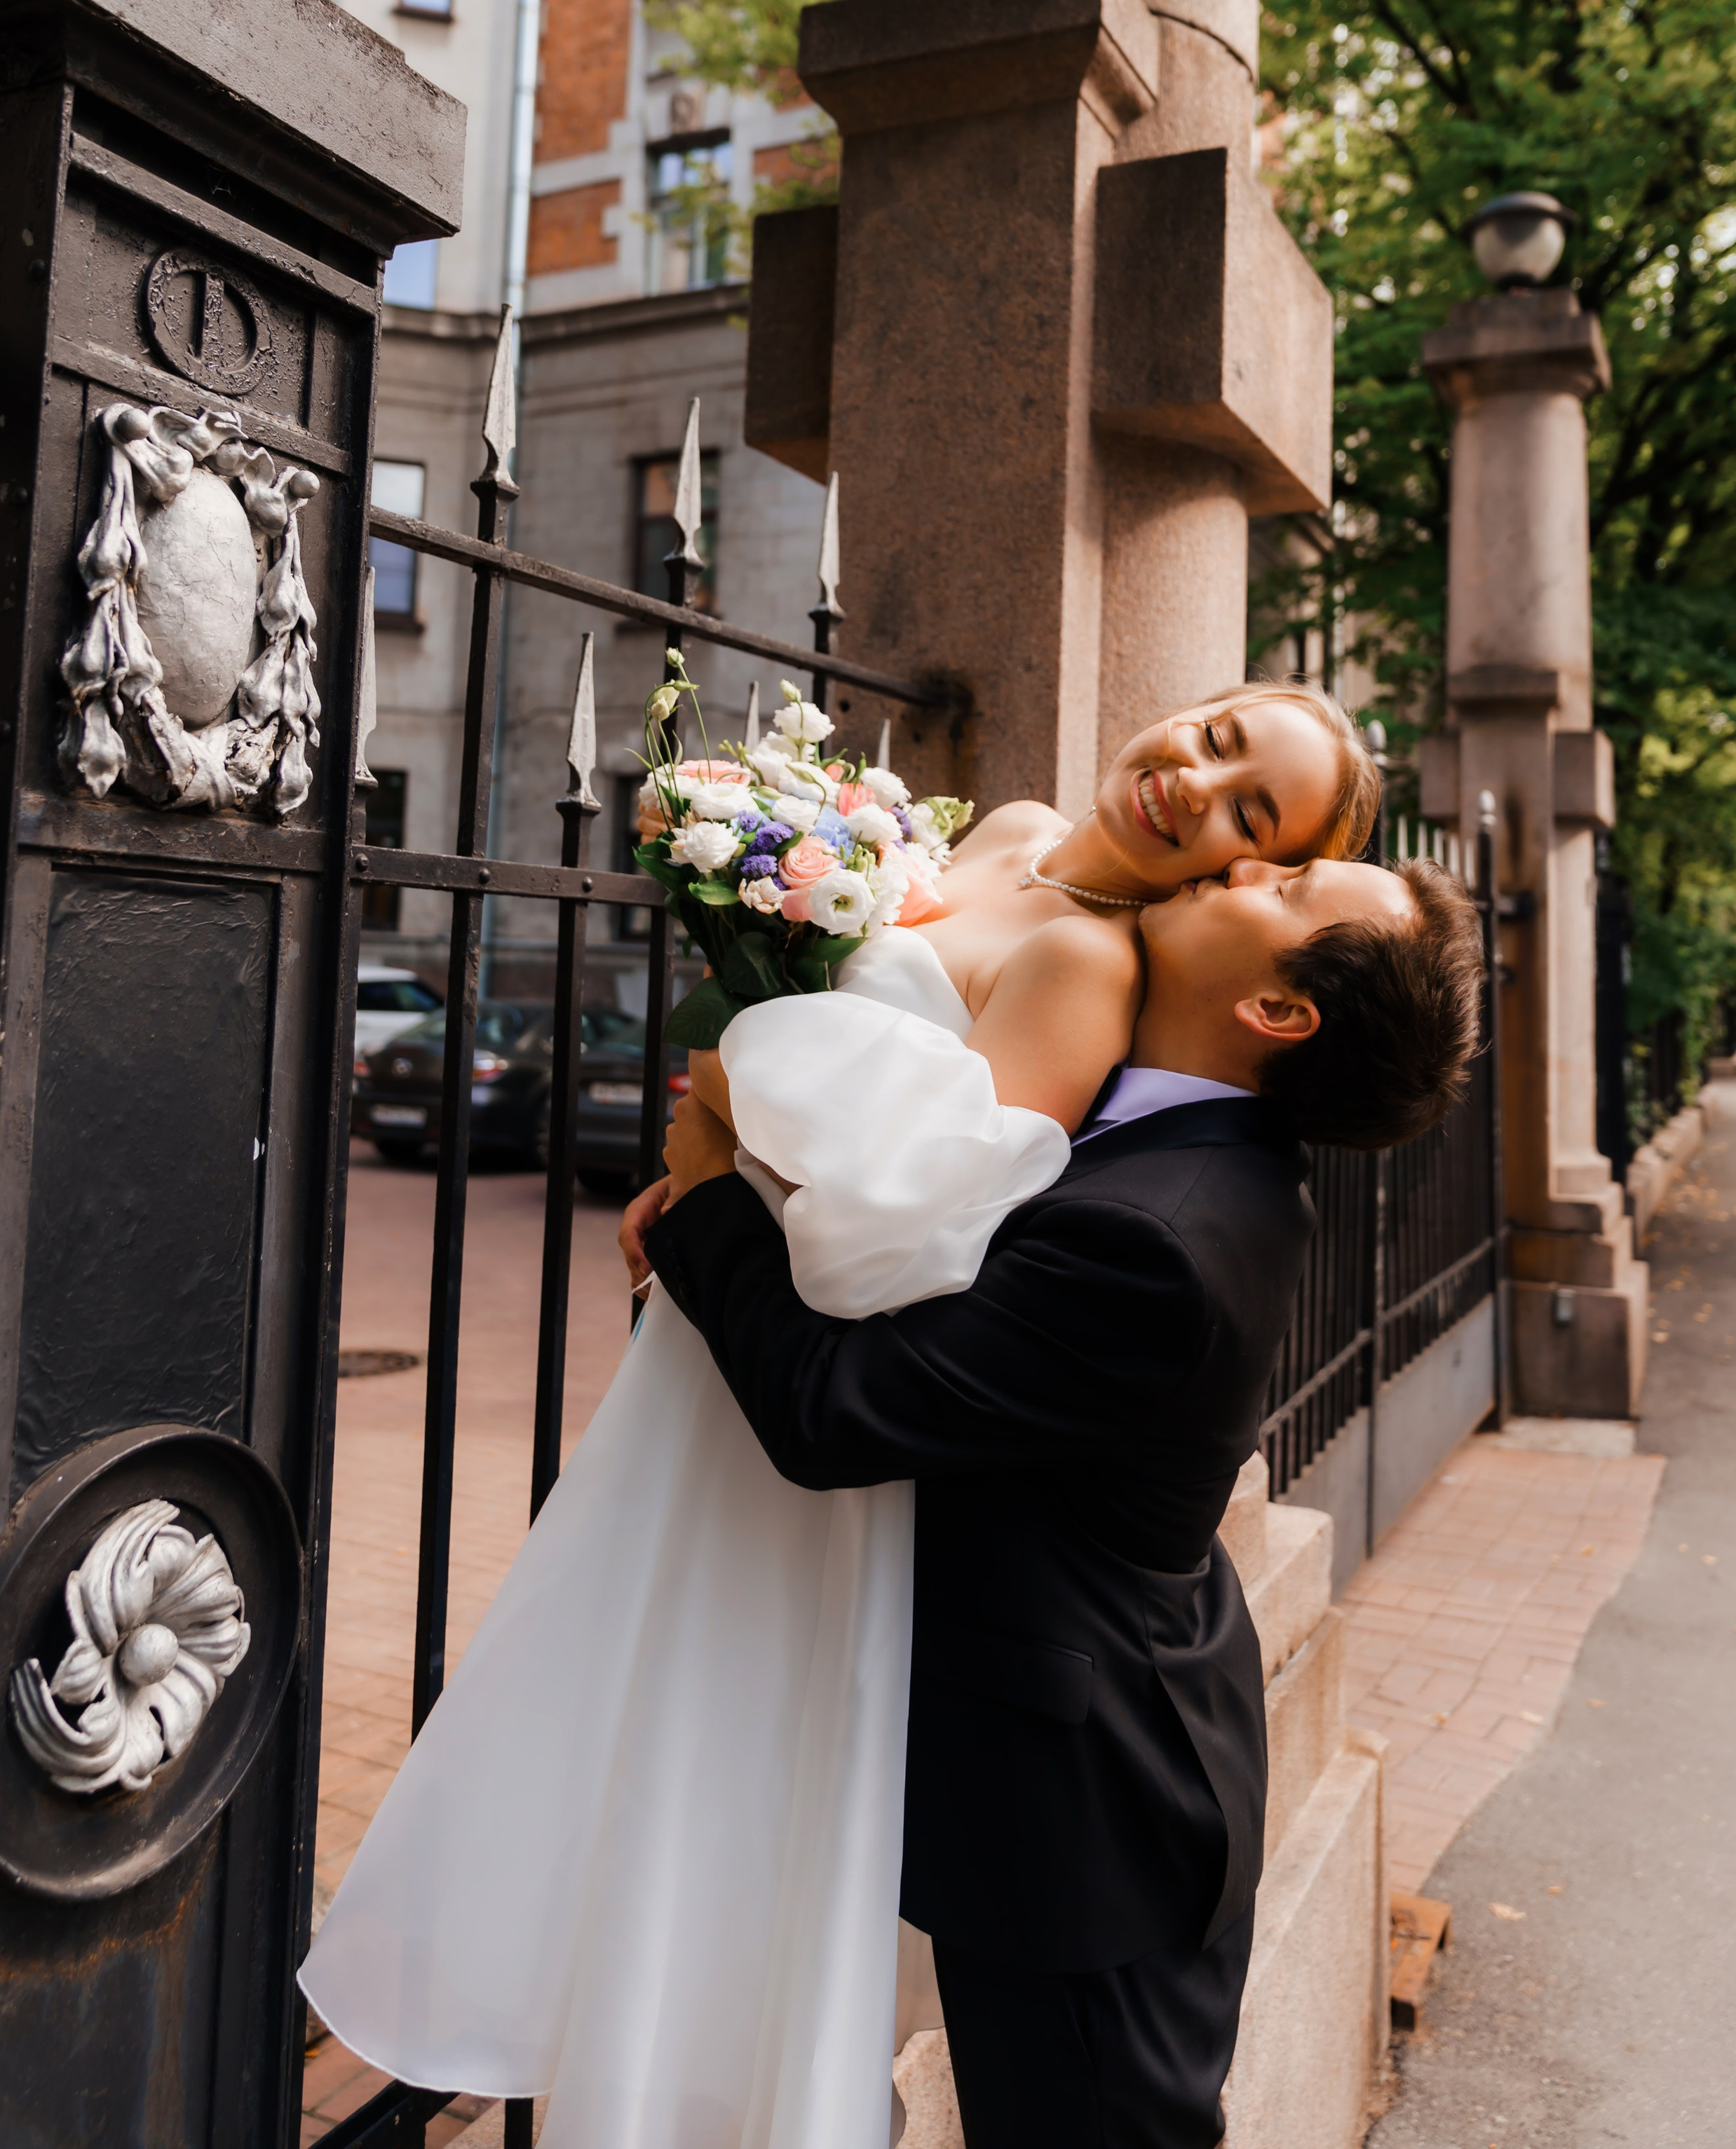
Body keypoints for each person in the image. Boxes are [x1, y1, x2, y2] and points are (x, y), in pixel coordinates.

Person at [300, 687, 1378, 2149]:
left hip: (796, 1392)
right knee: (599, 1688)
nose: (1202, 786)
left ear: (1241, 884)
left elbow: (901, 1243)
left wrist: (716, 1162)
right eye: (1219, 733)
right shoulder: (1009, 835)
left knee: (715, 1762)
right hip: (711, 1351)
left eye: (1261, 821)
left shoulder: (1087, 967)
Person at [644, 853, 1486, 2149]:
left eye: (1291, 878)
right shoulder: (1164, 1140)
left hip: (1088, 1815)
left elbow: (836, 1412)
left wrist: (708, 1199)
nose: (1245, 858)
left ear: (1278, 1010)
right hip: (1098, 1737)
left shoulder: (1163, 1232)